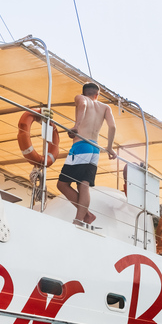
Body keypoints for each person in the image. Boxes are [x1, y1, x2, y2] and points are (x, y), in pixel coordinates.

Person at [57, 82, 116, 226]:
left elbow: (82, 105)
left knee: (62, 184)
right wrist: (109, 147)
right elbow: (112, 126)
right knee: (83, 184)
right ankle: (84, 217)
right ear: (97, 95)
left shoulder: (80, 98)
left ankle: (81, 217)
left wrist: (76, 126)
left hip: (81, 145)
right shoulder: (105, 107)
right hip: (95, 148)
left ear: (83, 93)